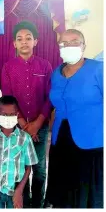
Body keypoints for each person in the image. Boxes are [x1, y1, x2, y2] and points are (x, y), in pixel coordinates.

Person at [45, 29, 103, 208]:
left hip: (91, 142)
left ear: (83, 46)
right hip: (61, 141)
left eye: (75, 41)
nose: (69, 46)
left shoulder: (99, 69)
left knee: (87, 194)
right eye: (64, 43)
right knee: (63, 193)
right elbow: (55, 107)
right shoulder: (56, 73)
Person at [1, 21, 52, 208]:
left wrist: (37, 124)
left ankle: (37, 205)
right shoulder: (8, 67)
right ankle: (22, 203)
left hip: (41, 125)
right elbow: (8, 99)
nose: (24, 42)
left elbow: (50, 97)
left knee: (39, 169)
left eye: (28, 38)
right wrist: (24, 125)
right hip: (17, 127)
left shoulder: (45, 66)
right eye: (19, 39)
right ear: (14, 43)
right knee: (20, 167)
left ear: (35, 41)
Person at [0, 96, 38, 209]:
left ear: (17, 115)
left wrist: (19, 191)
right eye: (4, 115)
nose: (8, 118)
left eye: (12, 114)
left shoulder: (25, 138)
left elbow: (29, 167)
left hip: (16, 191)